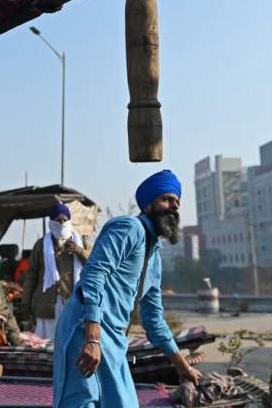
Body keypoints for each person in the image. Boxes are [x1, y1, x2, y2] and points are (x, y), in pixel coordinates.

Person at [53, 170, 201, 407]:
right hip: (86, 328)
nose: (173, 207)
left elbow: (154, 320)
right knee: (81, 401)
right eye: (166, 199)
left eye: (177, 202)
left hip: (114, 339)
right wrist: (92, 338)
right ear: (149, 203)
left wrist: (183, 367)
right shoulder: (129, 228)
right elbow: (94, 274)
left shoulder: (155, 259)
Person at [21, 203, 86, 340]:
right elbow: (31, 277)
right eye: (58, 220)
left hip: (72, 301)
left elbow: (92, 265)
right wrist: (25, 306)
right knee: (47, 342)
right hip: (47, 305)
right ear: (51, 222)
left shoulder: (80, 244)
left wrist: (78, 251)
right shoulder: (41, 245)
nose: (61, 223)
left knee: (71, 341)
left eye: (64, 220)